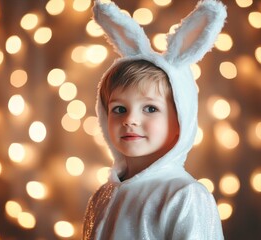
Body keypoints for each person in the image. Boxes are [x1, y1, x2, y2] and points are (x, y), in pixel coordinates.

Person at [83, 0, 227, 239]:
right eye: (119, 109)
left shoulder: (184, 196)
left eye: (150, 108)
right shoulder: (104, 195)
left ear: (180, 119)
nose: (130, 120)